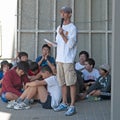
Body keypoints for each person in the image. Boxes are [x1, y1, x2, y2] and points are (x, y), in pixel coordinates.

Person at [54, 6, 77, 116]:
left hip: (68, 59)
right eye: (61, 12)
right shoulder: (59, 27)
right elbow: (58, 43)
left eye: (64, 12)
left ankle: (72, 106)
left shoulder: (72, 28)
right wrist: (52, 44)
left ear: (70, 14)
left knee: (71, 83)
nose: (62, 14)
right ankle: (64, 102)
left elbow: (70, 45)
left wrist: (63, 34)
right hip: (59, 59)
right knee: (62, 82)